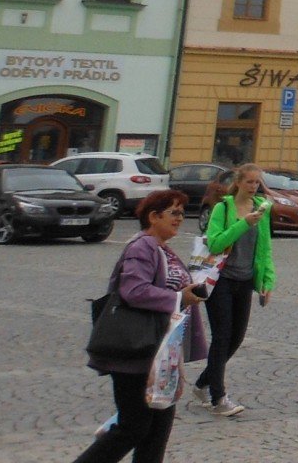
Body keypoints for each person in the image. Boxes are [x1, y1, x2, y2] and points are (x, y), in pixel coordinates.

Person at [72, 190, 209, 463]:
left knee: (157, 429)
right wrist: (180, 297)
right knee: (133, 427)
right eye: (174, 212)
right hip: (135, 350)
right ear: (153, 216)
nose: (180, 218)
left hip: (161, 350)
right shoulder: (142, 246)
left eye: (182, 213)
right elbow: (133, 290)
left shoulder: (162, 249)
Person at [195, 164, 276, 416]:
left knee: (237, 337)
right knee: (221, 337)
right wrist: (243, 224)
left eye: (257, 183)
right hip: (220, 281)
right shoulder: (223, 208)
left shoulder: (262, 209)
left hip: (245, 280)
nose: (254, 187)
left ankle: (202, 383)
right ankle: (219, 397)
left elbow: (265, 249)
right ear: (238, 182)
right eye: (250, 182)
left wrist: (267, 281)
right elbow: (216, 242)